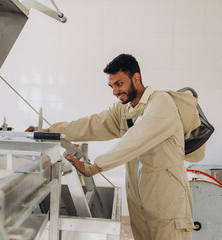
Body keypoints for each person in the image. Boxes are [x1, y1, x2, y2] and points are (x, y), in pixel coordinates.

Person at [26, 54, 194, 240]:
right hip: (140, 205)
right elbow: (92, 124)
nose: (114, 91)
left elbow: (134, 139)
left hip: (168, 206)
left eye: (119, 84)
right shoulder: (126, 110)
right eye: (111, 86)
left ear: (136, 78)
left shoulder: (161, 103)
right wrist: (50, 131)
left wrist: (94, 167)